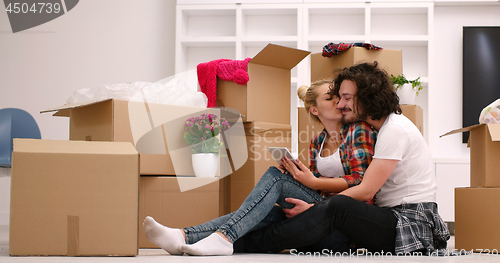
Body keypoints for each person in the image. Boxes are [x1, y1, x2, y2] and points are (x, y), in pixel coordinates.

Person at [236, 62, 450, 256]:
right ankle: (225, 236)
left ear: (368, 97)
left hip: (409, 224)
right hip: (390, 217)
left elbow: (365, 190)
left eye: (347, 98)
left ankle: (242, 244)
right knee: (282, 213)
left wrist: (315, 208)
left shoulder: (394, 129)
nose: (340, 105)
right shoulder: (381, 129)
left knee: (338, 206)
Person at [142, 79, 377, 256]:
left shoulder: (358, 131)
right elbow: (319, 188)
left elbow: (362, 182)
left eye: (338, 97)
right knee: (269, 209)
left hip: (344, 232)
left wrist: (314, 194)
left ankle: (222, 237)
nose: (339, 101)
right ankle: (183, 236)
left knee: (276, 178)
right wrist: (300, 177)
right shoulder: (318, 141)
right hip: (318, 218)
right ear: (314, 109)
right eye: (330, 98)